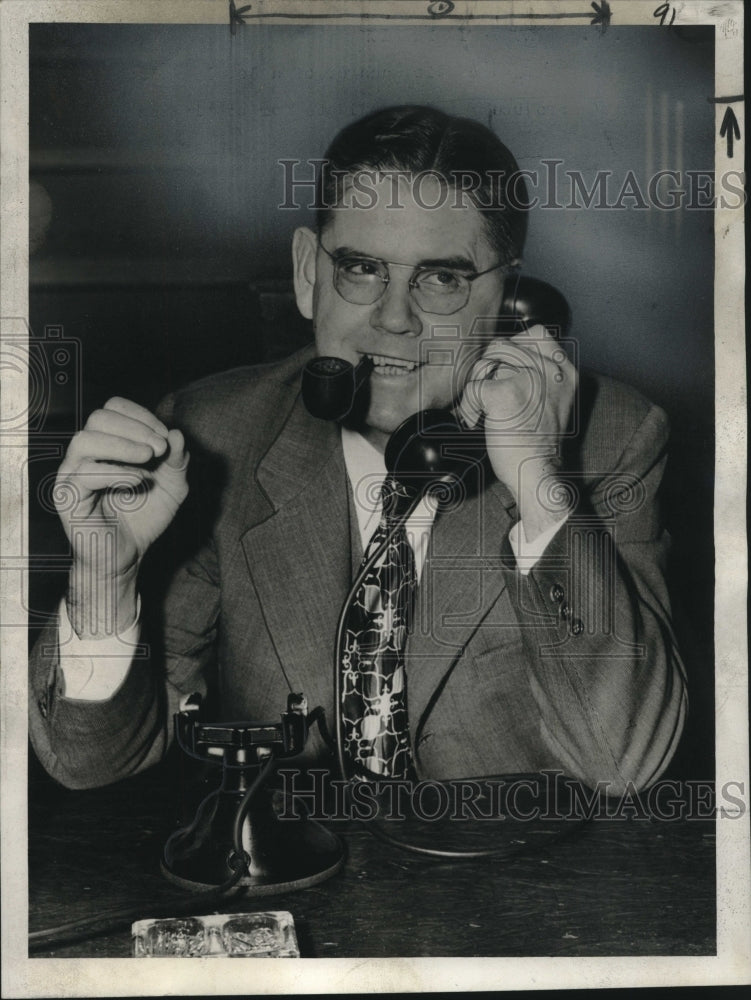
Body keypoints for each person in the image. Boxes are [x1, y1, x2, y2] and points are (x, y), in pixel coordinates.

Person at [29, 105, 686, 795]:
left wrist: (537, 486)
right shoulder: (212, 434)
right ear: (309, 273)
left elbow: (624, 764)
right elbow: (89, 762)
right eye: (362, 268)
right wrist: (104, 578)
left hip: (517, 893)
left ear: (511, 302)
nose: (393, 319)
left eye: (441, 278)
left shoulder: (612, 437)